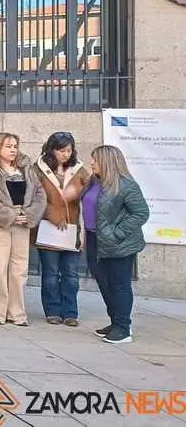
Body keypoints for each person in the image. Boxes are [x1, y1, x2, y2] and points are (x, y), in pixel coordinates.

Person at [0, 132, 46, 326]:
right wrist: (8, 214)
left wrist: (29, 214)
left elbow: (39, 193)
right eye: (8, 146)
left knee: (19, 269)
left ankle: (18, 313)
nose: (13, 149)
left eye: (15, 145)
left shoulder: (27, 167)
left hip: (22, 222)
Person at [85, 145, 149, 344]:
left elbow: (141, 213)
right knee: (104, 282)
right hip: (95, 239)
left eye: (95, 159)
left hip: (118, 243)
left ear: (106, 162)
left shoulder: (126, 185)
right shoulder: (94, 181)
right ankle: (115, 322)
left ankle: (123, 328)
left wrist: (117, 233)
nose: (92, 162)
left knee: (119, 285)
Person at [33, 132, 91, 327]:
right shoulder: (38, 169)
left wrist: (77, 192)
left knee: (71, 275)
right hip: (49, 228)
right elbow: (35, 197)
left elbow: (91, 191)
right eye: (61, 150)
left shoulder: (79, 170)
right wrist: (53, 214)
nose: (66, 154)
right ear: (52, 150)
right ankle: (52, 310)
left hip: (72, 230)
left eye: (69, 150)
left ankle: (70, 312)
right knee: (50, 274)